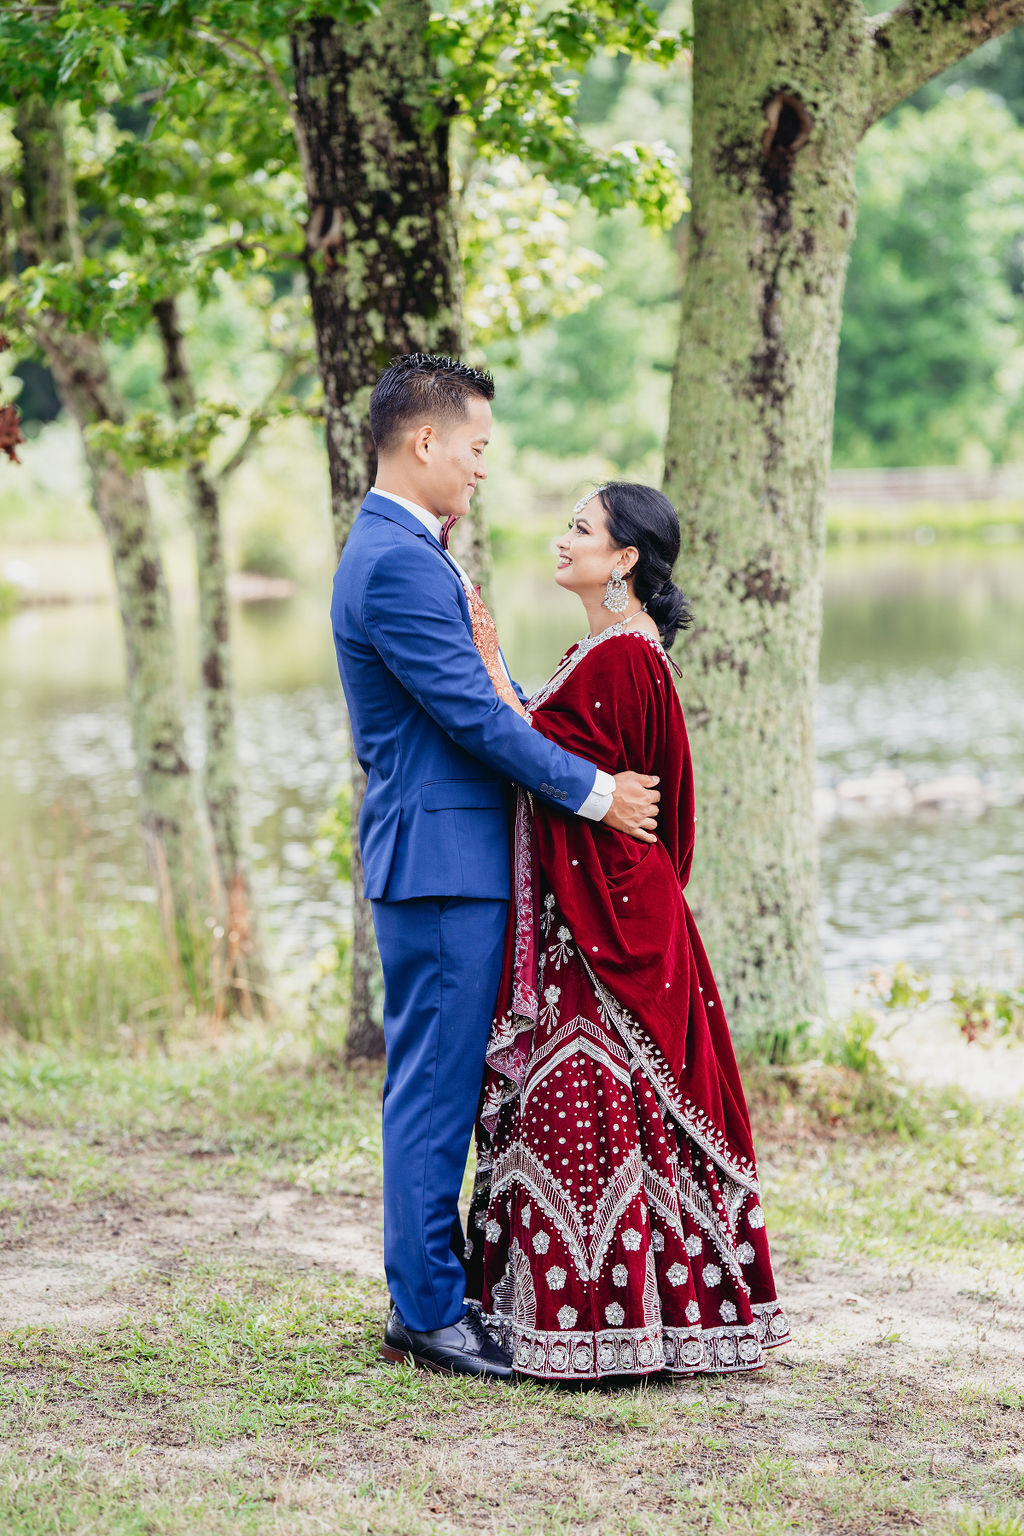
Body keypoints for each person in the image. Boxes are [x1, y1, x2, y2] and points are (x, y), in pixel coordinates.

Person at [329, 356, 661, 1380]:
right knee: (431, 1089)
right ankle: (426, 1311)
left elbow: (497, 692)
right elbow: (474, 717)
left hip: (460, 856)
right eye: (475, 448)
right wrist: (596, 793)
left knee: (450, 1083)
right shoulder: (393, 562)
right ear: (424, 441)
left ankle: (442, 1284)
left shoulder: (416, 553)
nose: (482, 468)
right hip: (438, 863)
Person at [465, 482, 791, 1381]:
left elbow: (534, 754)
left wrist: (488, 667)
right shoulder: (620, 650)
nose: (563, 539)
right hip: (613, 903)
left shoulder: (621, 657)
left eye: (582, 529)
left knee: (592, 1090)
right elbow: (578, 765)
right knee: (616, 1101)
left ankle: (598, 1325)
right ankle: (653, 1319)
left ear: (625, 561)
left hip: (602, 920)